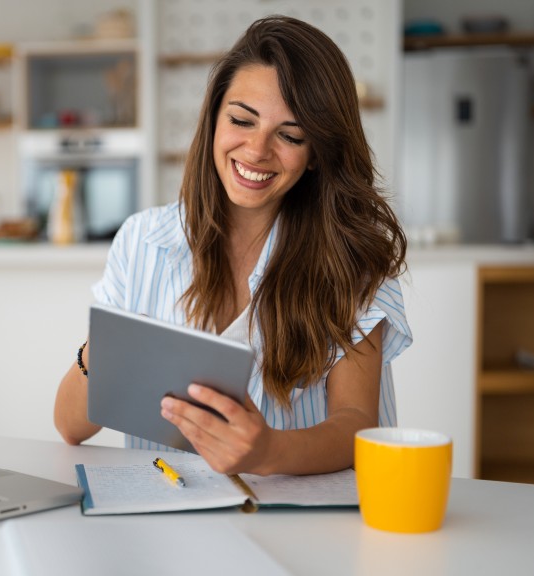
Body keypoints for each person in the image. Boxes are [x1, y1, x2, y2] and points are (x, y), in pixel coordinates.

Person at [53, 15, 412, 477]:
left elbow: (358, 425)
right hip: (163, 522)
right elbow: (69, 427)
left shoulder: (350, 260)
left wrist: (267, 452)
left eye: (289, 135)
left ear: (317, 153)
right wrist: (102, 351)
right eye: (242, 120)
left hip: (296, 527)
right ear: (214, 118)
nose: (257, 150)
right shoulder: (142, 241)